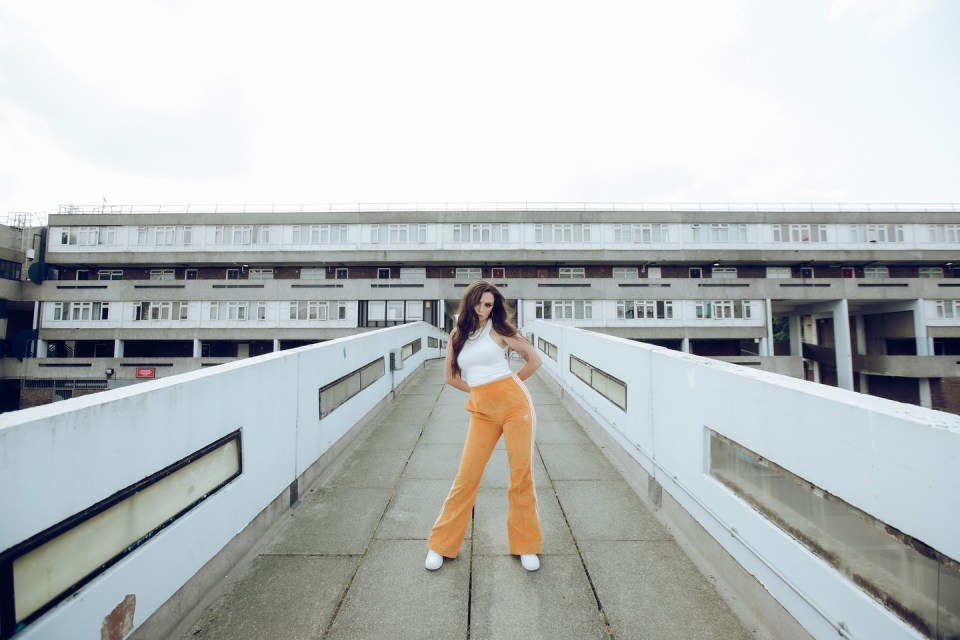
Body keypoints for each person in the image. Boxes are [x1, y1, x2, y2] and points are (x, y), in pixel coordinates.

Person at [425, 280, 543, 572]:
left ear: (494, 307)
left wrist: (510, 384)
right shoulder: (457, 336)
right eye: (478, 303)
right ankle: (441, 545)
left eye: (488, 304)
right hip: (482, 411)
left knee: (520, 476)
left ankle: (525, 545)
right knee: (466, 477)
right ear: (469, 302)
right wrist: (479, 392)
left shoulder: (500, 329)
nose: (482, 309)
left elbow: (534, 360)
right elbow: (451, 378)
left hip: (516, 407)